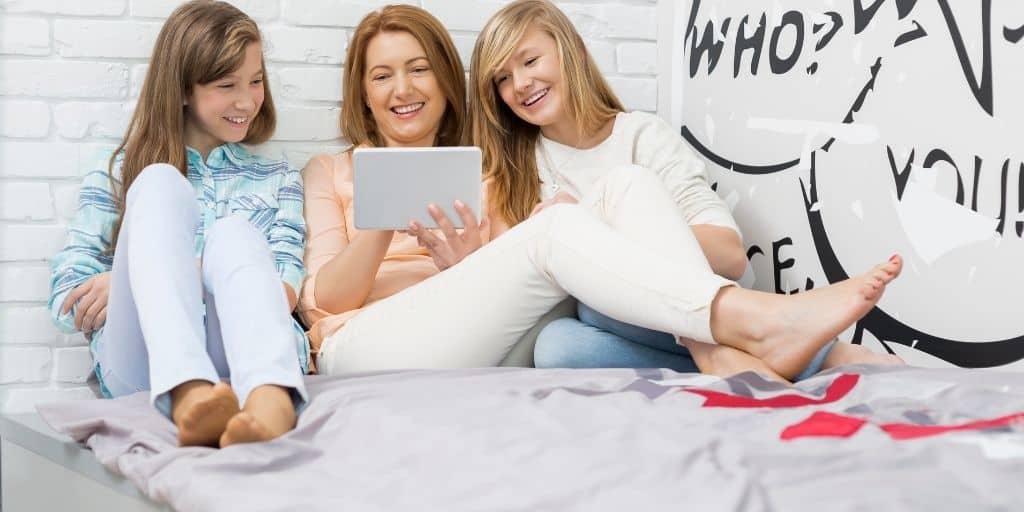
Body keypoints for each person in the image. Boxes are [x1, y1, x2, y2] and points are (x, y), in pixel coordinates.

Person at [302, 5, 902, 380]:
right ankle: (756, 324)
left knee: (621, 195)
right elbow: (321, 303)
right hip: (364, 343)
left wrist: (472, 263)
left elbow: (532, 295)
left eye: (418, 68)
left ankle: (725, 345)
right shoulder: (329, 171)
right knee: (561, 230)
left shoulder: (495, 169)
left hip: (480, 347)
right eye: (381, 75)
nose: (402, 88)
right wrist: (384, 213)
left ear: (445, 81)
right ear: (362, 91)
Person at [48, 0, 307, 448]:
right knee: (159, 182)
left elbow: (283, 290)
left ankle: (271, 401)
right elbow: (67, 300)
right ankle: (187, 392)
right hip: (140, 364)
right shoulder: (120, 170)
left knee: (236, 233)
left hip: (241, 355)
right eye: (227, 85)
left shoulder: (279, 177)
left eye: (256, 81)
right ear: (184, 89)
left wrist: (140, 276)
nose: (246, 101)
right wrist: (135, 280)